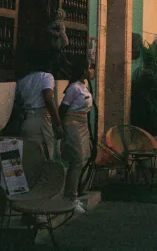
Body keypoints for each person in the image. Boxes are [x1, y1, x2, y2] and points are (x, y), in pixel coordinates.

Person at [59, 56, 94, 214]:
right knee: (77, 159)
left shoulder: (83, 86)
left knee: (81, 158)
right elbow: (63, 108)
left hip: (82, 124)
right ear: (83, 71)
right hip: (72, 124)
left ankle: (72, 194)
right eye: (88, 68)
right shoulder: (74, 88)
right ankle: (70, 197)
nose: (90, 70)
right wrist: (60, 127)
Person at [16, 51, 63, 158]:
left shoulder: (23, 80)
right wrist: (58, 124)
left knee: (29, 159)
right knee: (45, 159)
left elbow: (18, 102)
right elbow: (48, 98)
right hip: (41, 120)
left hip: (26, 121)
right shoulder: (46, 77)